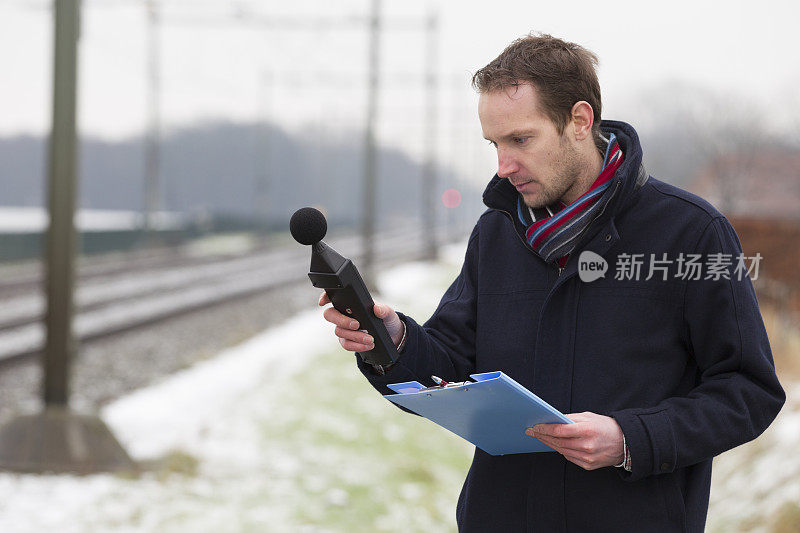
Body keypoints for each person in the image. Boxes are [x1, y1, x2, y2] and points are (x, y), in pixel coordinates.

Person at [318, 34, 784, 532]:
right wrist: (397, 342)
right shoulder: (495, 233)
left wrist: (631, 439)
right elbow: (452, 363)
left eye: (521, 139)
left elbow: (747, 390)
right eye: (494, 144)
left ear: (579, 122)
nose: (503, 165)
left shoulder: (692, 233)